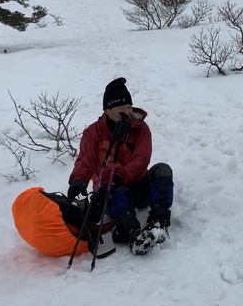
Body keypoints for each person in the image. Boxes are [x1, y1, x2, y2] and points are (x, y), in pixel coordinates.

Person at [67, 77, 174, 255]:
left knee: (163, 169)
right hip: (109, 191)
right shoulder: (93, 133)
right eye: (121, 108)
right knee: (119, 191)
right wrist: (78, 180)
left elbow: (141, 159)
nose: (127, 112)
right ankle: (132, 233)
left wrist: (120, 176)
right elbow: (85, 159)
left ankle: (158, 223)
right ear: (107, 110)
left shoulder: (140, 128)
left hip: (137, 184)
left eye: (129, 107)